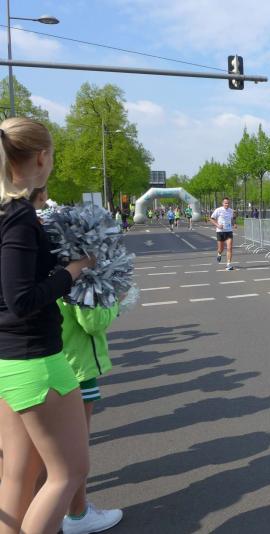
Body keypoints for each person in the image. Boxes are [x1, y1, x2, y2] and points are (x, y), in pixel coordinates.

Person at [0, 117, 95, 534]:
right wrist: (73, 270)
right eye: (52, 156)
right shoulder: (18, 215)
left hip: (9, 359)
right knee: (68, 473)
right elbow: (21, 299)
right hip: (36, 359)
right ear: (41, 157)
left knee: (18, 474)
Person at [57, 298, 124, 534]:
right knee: (74, 452)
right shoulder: (73, 273)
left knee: (31, 457)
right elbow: (92, 321)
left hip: (17, 362)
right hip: (73, 363)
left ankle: (33, 511)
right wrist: (116, 302)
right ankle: (77, 514)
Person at [211, 197, 237, 271]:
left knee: (229, 248)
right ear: (222, 203)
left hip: (229, 231)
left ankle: (228, 264)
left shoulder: (231, 211)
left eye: (228, 203)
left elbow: (232, 219)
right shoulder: (218, 210)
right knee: (221, 249)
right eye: (225, 203)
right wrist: (217, 225)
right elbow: (212, 218)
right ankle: (219, 254)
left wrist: (234, 224)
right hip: (220, 231)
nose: (227, 204)